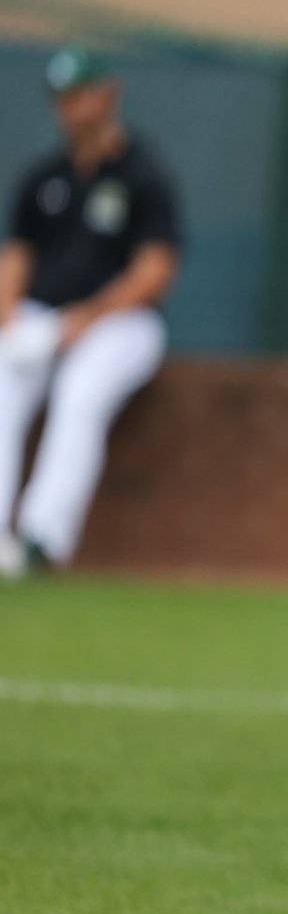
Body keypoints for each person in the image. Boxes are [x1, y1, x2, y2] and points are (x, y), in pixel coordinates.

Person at [0, 47, 180, 580]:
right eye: (63, 98)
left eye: (81, 94)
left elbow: (154, 273)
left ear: (108, 94)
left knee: (78, 396)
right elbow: (16, 257)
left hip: (118, 323)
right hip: (43, 319)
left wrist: (86, 317)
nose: (72, 108)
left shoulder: (143, 174)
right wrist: (8, 317)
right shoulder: (43, 177)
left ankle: (41, 540)